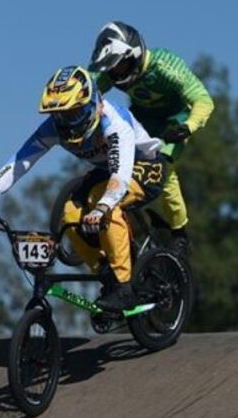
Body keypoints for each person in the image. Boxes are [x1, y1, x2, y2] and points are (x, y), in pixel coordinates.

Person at [0, 66, 165, 312]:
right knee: (69, 213)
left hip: (144, 167)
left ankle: (124, 287)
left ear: (91, 102)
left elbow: (120, 176)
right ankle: (105, 270)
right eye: (59, 115)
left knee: (101, 202)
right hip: (106, 172)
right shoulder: (53, 128)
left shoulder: (113, 122)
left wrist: (102, 207)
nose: (66, 122)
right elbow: (19, 163)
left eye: (73, 113)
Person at [88, 21, 214, 253]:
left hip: (174, 121)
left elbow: (203, 100)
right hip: (141, 120)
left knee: (162, 168)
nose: (116, 74)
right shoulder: (113, 71)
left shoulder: (166, 67)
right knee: (113, 158)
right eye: (111, 70)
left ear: (134, 55)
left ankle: (180, 233)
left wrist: (188, 126)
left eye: (120, 67)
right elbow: (88, 87)